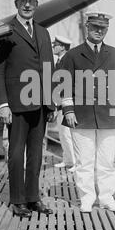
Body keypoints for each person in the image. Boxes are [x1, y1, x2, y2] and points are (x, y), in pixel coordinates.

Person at [0, 0, 55, 218]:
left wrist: (51, 104)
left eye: (31, 0)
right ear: (16, 4)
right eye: (23, 1)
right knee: (16, 153)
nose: (27, 4)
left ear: (37, 4)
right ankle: (17, 201)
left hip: (40, 104)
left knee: (36, 154)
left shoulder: (43, 32)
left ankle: (33, 198)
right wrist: (2, 104)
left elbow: (49, 69)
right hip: (16, 106)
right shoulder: (5, 32)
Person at [61, 12, 115, 213]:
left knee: (107, 161)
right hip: (81, 116)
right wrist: (68, 110)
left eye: (103, 28)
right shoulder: (72, 55)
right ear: (87, 28)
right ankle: (87, 198)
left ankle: (106, 197)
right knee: (84, 162)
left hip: (108, 115)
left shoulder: (114, 53)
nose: (99, 31)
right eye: (95, 28)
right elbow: (64, 85)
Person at [52, 35, 76, 171]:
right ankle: (67, 160)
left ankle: (75, 162)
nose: (53, 47)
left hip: (67, 104)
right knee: (63, 134)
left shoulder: (67, 61)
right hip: (60, 103)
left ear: (62, 47)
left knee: (68, 134)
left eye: (55, 45)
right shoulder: (59, 62)